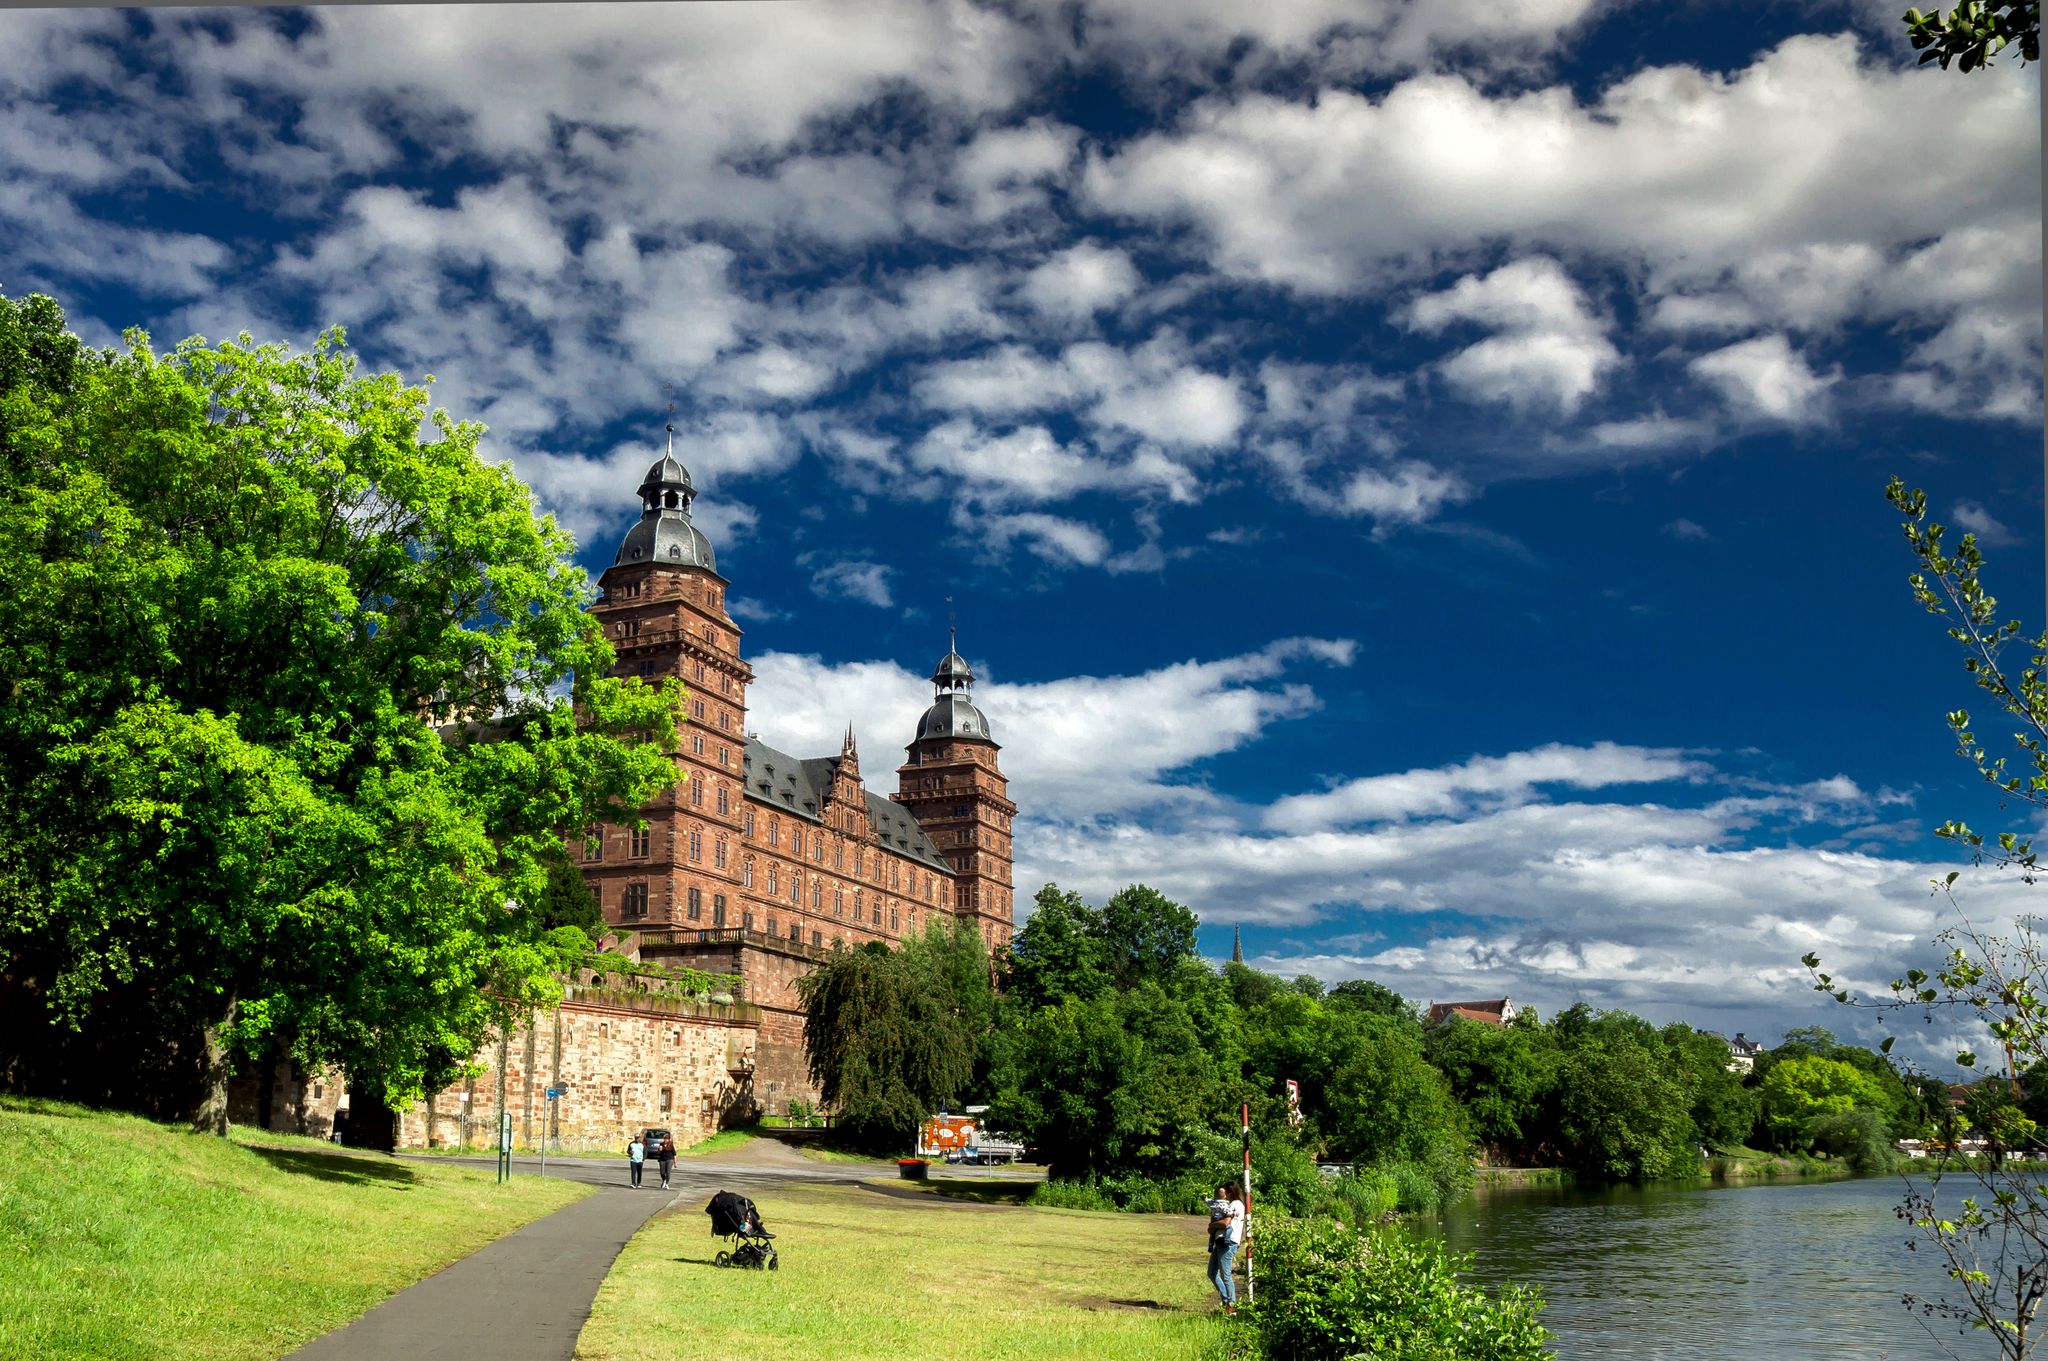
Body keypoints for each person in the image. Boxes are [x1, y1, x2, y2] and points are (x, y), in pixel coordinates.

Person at [1208, 1182, 1244, 1313]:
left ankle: (1232, 1306)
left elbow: (1226, 1222)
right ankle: (1226, 1300)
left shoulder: (1235, 1205)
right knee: (1212, 1272)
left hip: (1228, 1242)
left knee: (1226, 1275)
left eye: (1225, 1193)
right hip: (1221, 1241)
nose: (1223, 1196)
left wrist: (1212, 1226)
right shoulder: (1232, 1204)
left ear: (1230, 1192)